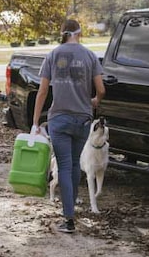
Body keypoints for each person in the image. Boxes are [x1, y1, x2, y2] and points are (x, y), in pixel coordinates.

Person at [29, 18, 105, 234]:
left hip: (59, 119)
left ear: (63, 33)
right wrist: (95, 101)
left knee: (64, 165)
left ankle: (69, 218)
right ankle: (71, 208)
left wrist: (35, 121)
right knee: (73, 165)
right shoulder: (90, 56)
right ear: (78, 33)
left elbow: (42, 91)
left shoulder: (53, 55)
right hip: (82, 119)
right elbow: (101, 89)